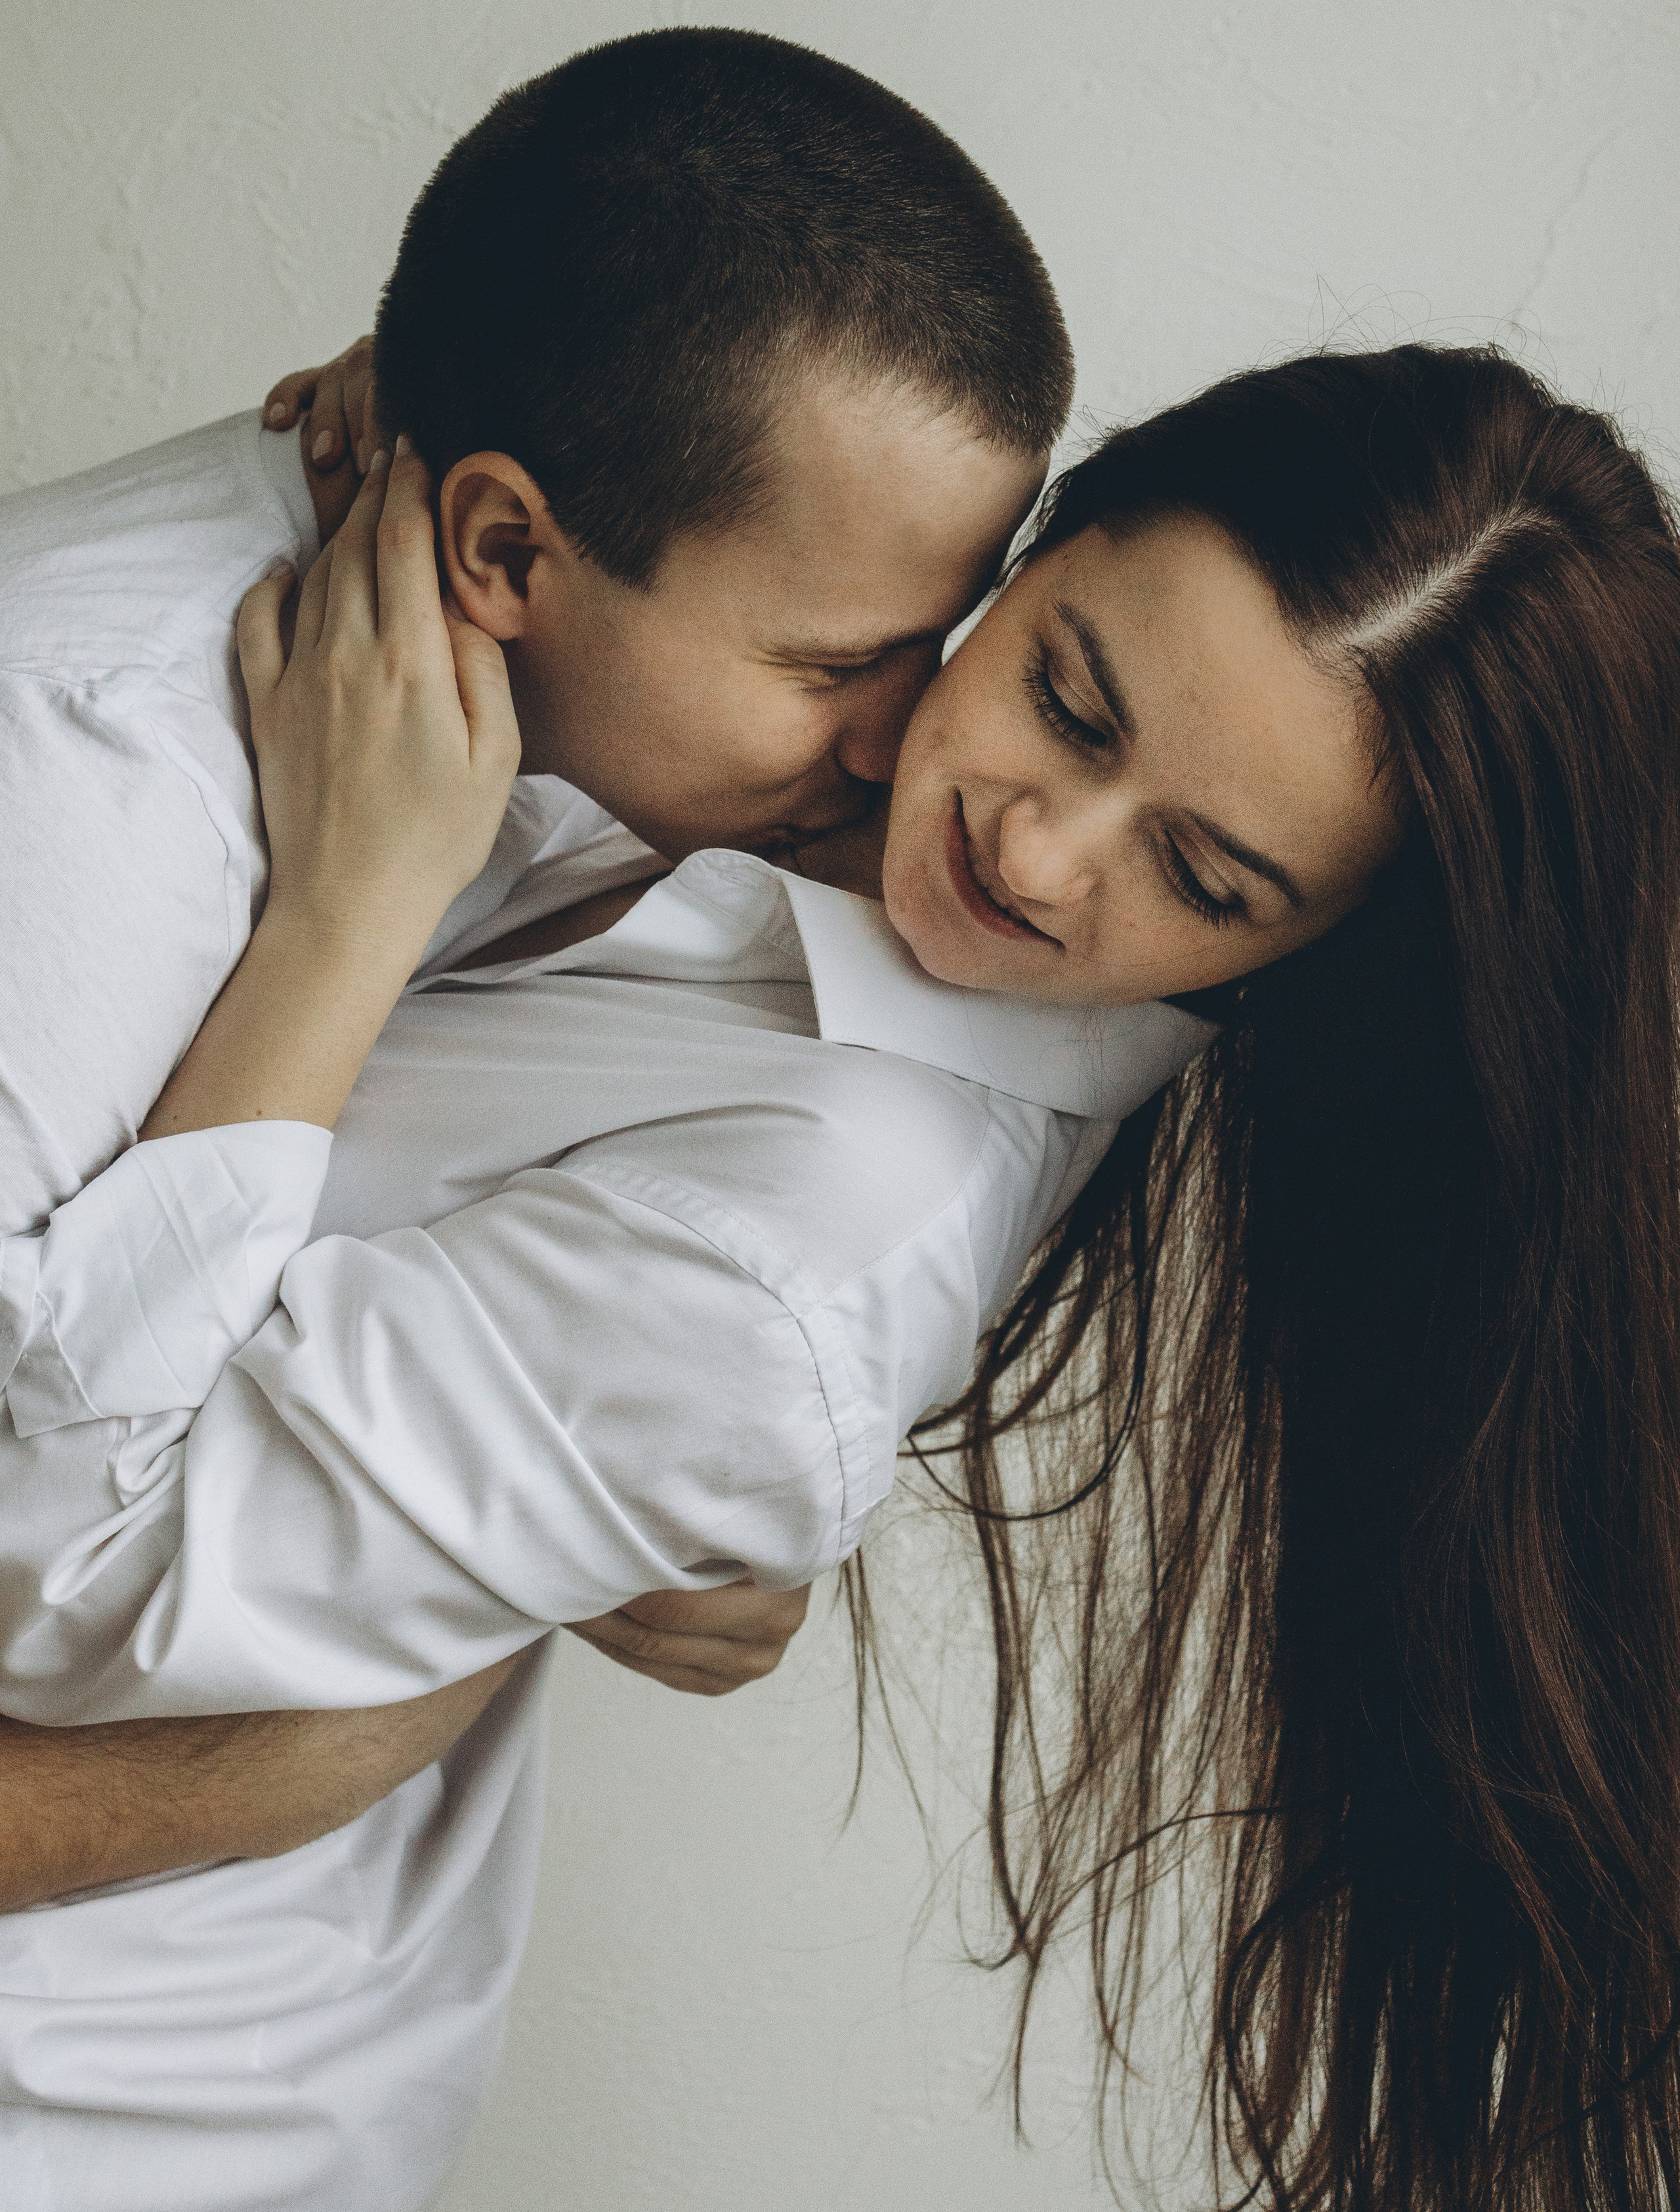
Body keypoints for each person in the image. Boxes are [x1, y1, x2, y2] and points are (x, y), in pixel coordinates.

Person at [11, 335, 1679, 2212]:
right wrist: (514, 378)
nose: (1035, 849)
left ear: (1309, 963)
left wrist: (348, 910)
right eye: (1068, 698)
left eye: (1206, 883)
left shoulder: (800, 1253)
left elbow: (59, 1582)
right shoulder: (770, 780)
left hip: (82, 2087)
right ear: (1026, 554)